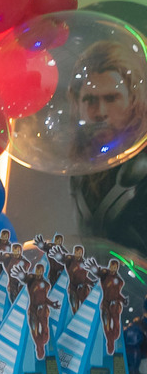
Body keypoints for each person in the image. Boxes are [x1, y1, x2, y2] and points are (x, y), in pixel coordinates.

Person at [69, 40, 147, 253]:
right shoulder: (83, 160)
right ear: (78, 102)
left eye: (111, 98)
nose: (100, 111)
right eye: (90, 100)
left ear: (133, 99)